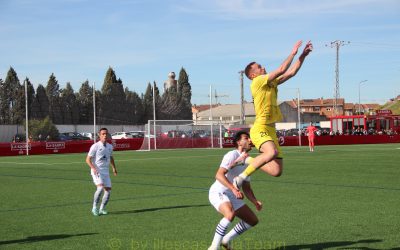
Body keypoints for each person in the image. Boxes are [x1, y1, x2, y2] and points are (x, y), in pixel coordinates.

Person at [233, 40, 313, 188]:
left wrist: (303, 55)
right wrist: (293, 52)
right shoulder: (257, 82)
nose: (263, 67)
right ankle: (240, 178)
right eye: (259, 67)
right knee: (271, 152)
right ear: (253, 75)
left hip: (270, 130)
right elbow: (282, 68)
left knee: (276, 171)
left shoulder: (271, 82)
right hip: (260, 128)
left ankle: (246, 159)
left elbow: (291, 72)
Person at [208, 131, 262, 250]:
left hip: (232, 193)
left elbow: (246, 187)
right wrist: (233, 188)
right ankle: (213, 247)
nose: (250, 140)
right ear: (238, 142)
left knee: (252, 220)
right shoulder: (232, 154)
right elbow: (219, 175)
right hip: (219, 191)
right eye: (246, 138)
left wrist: (254, 201)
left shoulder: (248, 162)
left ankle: (226, 240)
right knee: (229, 213)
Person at [85, 127, 117, 216]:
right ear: (99, 135)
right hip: (97, 171)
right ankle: (94, 207)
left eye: (106, 134)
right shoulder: (95, 146)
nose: (105, 135)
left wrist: (114, 168)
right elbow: (87, 159)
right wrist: (93, 168)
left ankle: (102, 209)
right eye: (103, 134)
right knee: (100, 188)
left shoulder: (110, 147)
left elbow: (111, 157)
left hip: (106, 172)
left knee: (108, 191)